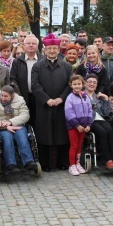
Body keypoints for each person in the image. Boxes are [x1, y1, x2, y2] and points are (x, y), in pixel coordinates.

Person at [31, 33, 73, 171]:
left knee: (62, 133)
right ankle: (46, 164)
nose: (52, 51)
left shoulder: (66, 66)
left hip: (62, 104)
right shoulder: (37, 66)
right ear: (45, 49)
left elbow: (70, 84)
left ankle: (62, 162)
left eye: (55, 48)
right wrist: (47, 99)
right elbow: (35, 86)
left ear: (59, 48)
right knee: (45, 134)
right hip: (44, 106)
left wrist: (61, 98)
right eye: (49, 48)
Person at [0, 85, 37, 173]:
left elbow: (25, 115)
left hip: (17, 124)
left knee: (22, 137)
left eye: (6, 96)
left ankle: (28, 161)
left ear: (12, 96)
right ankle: (10, 163)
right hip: (3, 126)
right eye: (2, 95)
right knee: (7, 138)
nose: (3, 98)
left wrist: (11, 122)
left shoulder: (20, 100)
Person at [84, 75, 113, 169]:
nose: (92, 84)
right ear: (85, 83)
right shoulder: (81, 96)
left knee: (110, 131)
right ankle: (108, 159)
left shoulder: (99, 96)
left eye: (94, 82)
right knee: (103, 132)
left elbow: (106, 112)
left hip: (102, 119)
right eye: (90, 81)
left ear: (97, 85)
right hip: (90, 121)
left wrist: (105, 99)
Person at [64, 75, 93, 176]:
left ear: (83, 84)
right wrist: (76, 125)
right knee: (74, 145)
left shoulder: (86, 97)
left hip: (84, 126)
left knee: (80, 145)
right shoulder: (70, 98)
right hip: (73, 126)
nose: (77, 86)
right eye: (74, 84)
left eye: (79, 84)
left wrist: (89, 124)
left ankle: (77, 163)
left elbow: (90, 111)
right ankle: (72, 165)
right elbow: (69, 112)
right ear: (71, 85)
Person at [10, 34, 43, 121]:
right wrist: (19, 96)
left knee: (39, 122)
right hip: (23, 97)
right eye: (28, 43)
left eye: (33, 43)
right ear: (24, 46)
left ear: (37, 46)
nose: (31, 45)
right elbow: (13, 79)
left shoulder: (43, 60)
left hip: (40, 98)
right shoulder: (17, 62)